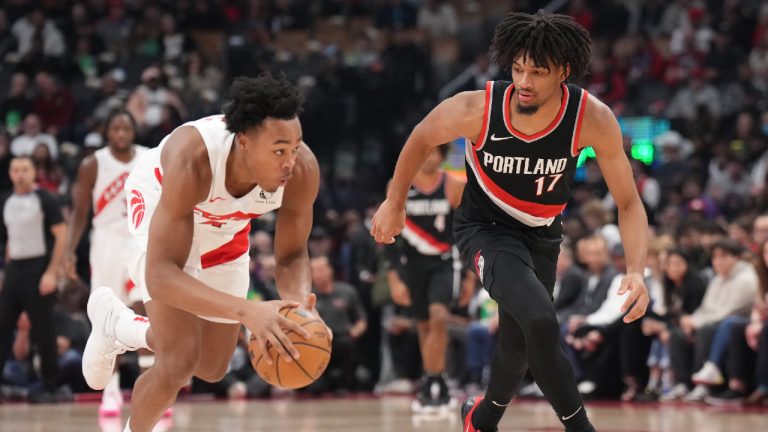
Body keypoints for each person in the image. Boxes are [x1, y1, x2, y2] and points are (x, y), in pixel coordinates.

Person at [370, 11, 650, 432]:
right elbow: (422, 136)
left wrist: (636, 270)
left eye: (537, 72)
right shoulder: (479, 108)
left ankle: (481, 420)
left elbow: (628, 202)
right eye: (518, 69)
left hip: (542, 236)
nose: (524, 81)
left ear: (564, 72)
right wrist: (395, 201)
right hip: (484, 229)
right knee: (540, 320)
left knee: (519, 345)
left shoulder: (591, 118)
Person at [80, 74, 328, 432]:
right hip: (161, 207)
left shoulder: (301, 170)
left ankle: (119, 326)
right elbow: (162, 276)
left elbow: (290, 256)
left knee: (212, 367)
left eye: (295, 147)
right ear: (243, 142)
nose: (290, 160)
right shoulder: (194, 158)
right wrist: (247, 311)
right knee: (177, 360)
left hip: (225, 226)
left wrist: (301, 309)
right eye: (278, 150)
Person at [63, 109, 148, 416]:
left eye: (126, 127)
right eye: (116, 128)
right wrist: (69, 251)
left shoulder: (151, 157)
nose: (121, 133)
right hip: (107, 242)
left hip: (141, 239)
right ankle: (110, 391)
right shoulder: (93, 163)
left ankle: (148, 387)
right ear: (108, 132)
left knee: (145, 310)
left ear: (134, 131)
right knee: (107, 317)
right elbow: (79, 212)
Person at [386, 144, 468, 411]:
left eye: (434, 152)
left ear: (443, 157)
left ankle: (436, 380)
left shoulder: (453, 185)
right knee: (423, 326)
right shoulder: (399, 184)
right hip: (412, 266)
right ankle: (431, 380)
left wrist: (469, 277)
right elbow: (390, 235)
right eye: (425, 151)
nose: (429, 157)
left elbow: (466, 231)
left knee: (439, 317)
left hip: (445, 262)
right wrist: (394, 277)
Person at [0, 156, 67, 403]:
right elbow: (10, 238)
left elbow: (61, 235)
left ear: (34, 172)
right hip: (14, 269)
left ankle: (50, 385)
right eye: (15, 170)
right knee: (2, 325)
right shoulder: (6, 201)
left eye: (25, 169)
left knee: (43, 329)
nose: (20, 174)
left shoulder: (44, 199)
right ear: (9, 173)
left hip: (38, 268)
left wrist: (51, 272)